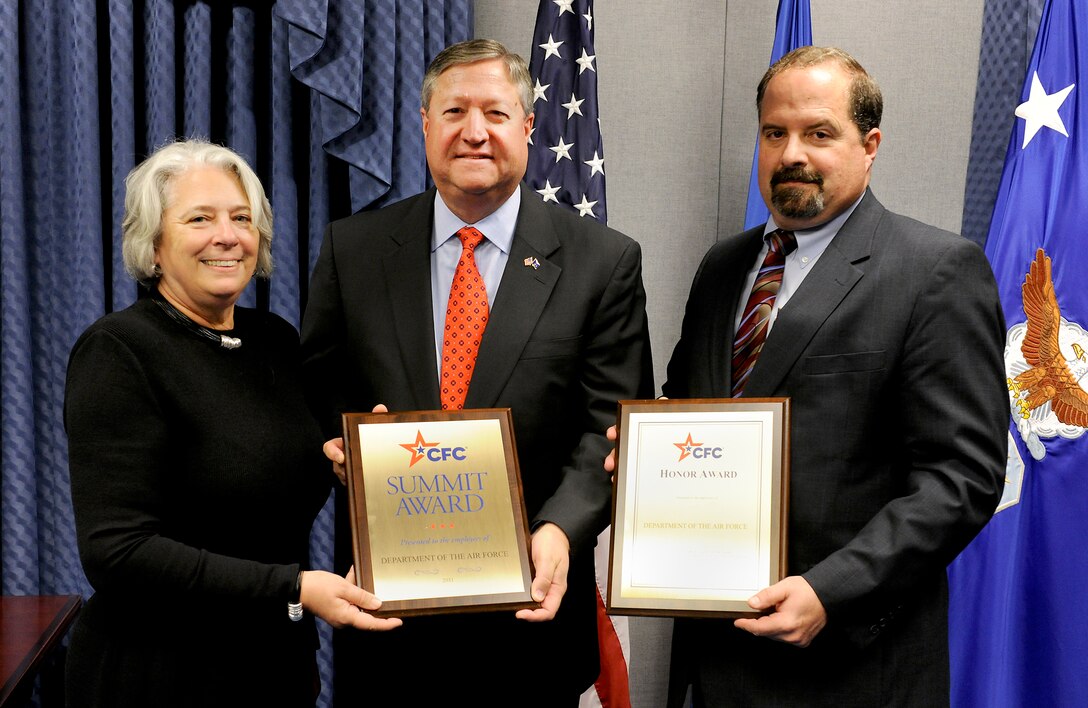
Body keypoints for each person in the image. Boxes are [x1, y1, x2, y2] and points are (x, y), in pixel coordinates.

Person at [300, 39, 653, 705]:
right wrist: (337, 442)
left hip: (529, 630)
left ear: (528, 126)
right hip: (389, 628)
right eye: (454, 110)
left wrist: (558, 532)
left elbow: (611, 429)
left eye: (494, 112)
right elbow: (319, 390)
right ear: (425, 125)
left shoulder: (601, 263)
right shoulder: (355, 249)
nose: (473, 131)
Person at [657, 46, 1008, 706]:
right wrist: (645, 460)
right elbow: (689, 413)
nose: (794, 152)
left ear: (869, 144)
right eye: (774, 132)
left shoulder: (935, 272)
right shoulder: (722, 268)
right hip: (715, 657)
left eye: (819, 133)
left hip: (850, 666)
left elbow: (963, 477)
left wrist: (830, 589)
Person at [64, 139, 400, 708]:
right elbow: (118, 553)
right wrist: (292, 588)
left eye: (242, 218)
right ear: (153, 246)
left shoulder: (274, 341)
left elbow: (281, 467)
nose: (227, 235)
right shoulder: (118, 351)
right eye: (199, 218)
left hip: (274, 668)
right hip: (160, 679)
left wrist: (360, 464)